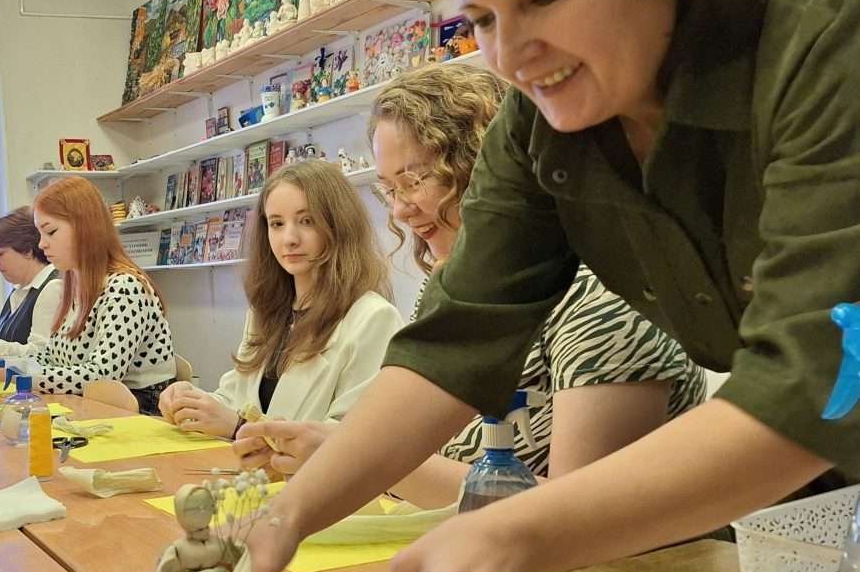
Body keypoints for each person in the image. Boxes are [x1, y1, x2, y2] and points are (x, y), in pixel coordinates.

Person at [132, 0, 856, 572]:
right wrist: (280, 522)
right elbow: (449, 345)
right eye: (480, 19)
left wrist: (514, 531)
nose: (510, 55)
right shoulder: (541, 126)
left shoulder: (831, 23)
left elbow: (821, 378)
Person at [235, 65, 706, 505]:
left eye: (416, 179)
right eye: (389, 189)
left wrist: (363, 462)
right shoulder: (453, 289)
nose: (399, 210)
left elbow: (582, 514)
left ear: (489, 166)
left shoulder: (602, 294)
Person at [158, 161, 404, 438]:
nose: (289, 239)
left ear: (339, 226)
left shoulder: (373, 317)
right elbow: (233, 398)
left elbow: (355, 442)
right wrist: (190, 402)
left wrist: (240, 429)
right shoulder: (265, 312)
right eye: (276, 223)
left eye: (306, 221)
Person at [0, 177, 175, 413]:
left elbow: (101, 376)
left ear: (86, 228)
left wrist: (12, 372)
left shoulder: (125, 287)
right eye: (39, 234)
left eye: (51, 232)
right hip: (93, 408)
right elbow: (50, 357)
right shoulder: (74, 287)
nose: (42, 245)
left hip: (143, 414)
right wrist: (6, 363)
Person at [0, 206, 61, 354]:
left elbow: (40, 354)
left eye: (1, 254)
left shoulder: (53, 288)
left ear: (27, 250)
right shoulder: (17, 292)